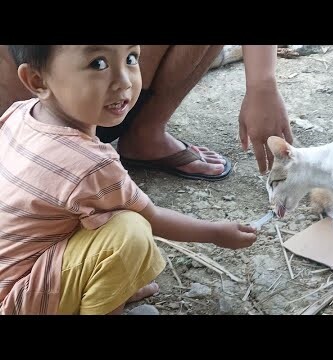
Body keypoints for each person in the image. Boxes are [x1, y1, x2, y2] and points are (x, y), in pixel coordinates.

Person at [0, 45, 257, 315]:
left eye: (131, 58)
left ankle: (94, 291)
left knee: (95, 212)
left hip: (12, 277)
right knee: (130, 232)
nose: (124, 81)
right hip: (19, 302)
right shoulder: (91, 164)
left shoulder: (20, 113)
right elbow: (153, 218)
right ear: (37, 80)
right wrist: (215, 233)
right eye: (98, 64)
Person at [0, 45, 293, 181]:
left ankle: (146, 133)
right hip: (32, 128)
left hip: (89, 105)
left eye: (132, 57)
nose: (128, 81)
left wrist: (262, 84)